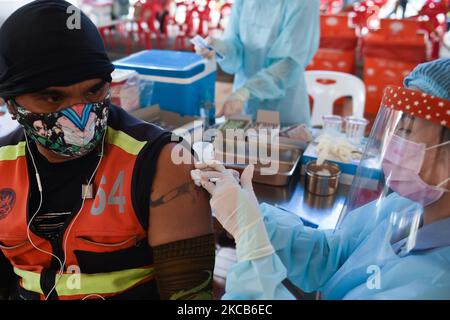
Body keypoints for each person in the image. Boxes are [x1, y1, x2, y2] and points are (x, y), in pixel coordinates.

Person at [0, 0, 214, 300]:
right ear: (10, 104)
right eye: (51, 98)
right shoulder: (2, 166)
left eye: (94, 91)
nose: (79, 115)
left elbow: (190, 300)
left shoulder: (162, 164)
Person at [194, 58, 450, 299]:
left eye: (405, 129)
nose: (389, 141)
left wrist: (253, 242)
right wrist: (256, 219)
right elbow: (332, 256)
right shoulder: (405, 210)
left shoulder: (435, 284)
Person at [195, 0, 320, 125]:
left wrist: (246, 92)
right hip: (242, 105)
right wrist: (221, 49)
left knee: (278, 142)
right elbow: (236, 45)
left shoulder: (304, 3)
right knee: (240, 142)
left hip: (283, 108)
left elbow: (290, 62)